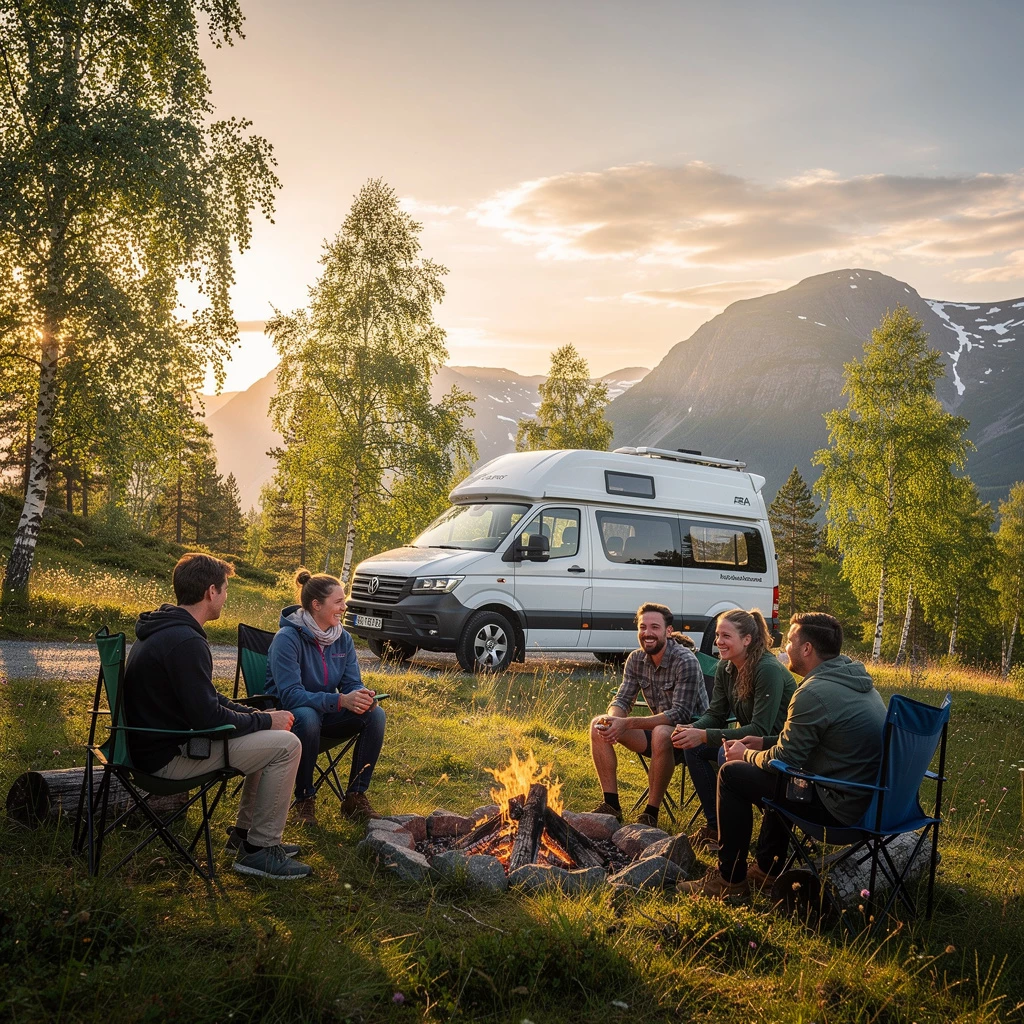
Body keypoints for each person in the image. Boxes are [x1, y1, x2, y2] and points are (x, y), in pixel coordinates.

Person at [123, 553, 311, 880]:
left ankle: (244, 837)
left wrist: (258, 715)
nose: (226, 597)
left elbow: (207, 699)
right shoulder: (185, 641)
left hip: (153, 745)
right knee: (288, 745)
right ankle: (261, 850)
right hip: (167, 758)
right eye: (225, 590)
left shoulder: (166, 629)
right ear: (211, 592)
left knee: (270, 736)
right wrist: (267, 722)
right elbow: (208, 718)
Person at [677, 611, 887, 900]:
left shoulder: (814, 692)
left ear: (807, 649)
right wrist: (764, 741)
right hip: (871, 801)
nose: (784, 647)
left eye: (789, 641)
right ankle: (767, 869)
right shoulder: (857, 683)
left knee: (733, 774)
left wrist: (747, 753)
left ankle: (730, 880)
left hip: (840, 809)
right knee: (782, 781)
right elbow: (816, 741)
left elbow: (786, 761)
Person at [267, 570, 386, 824]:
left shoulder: (342, 639)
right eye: (338, 602)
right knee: (307, 716)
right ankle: (304, 799)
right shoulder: (287, 639)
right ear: (316, 605)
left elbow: (351, 683)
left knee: (374, 714)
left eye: (344, 601)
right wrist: (340, 701)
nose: (344, 607)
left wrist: (361, 696)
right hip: (286, 719)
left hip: (325, 715)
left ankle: (355, 797)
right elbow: (290, 696)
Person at [671, 608, 796, 850]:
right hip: (752, 742)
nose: (719, 642)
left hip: (777, 746)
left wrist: (705, 735)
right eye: (718, 635)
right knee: (693, 748)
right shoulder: (725, 667)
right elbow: (716, 714)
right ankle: (714, 826)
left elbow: (759, 730)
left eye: (726, 636)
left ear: (747, 640)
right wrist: (692, 730)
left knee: (722, 753)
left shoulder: (766, 669)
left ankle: (735, 837)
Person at [589, 603, 709, 827]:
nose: (647, 633)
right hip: (657, 735)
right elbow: (623, 699)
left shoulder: (685, 661)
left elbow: (680, 714)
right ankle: (611, 806)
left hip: (693, 738)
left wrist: (628, 723)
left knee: (662, 732)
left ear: (668, 631)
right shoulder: (636, 659)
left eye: (655, 627)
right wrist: (614, 720)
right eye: (643, 627)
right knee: (599, 724)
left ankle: (650, 813)